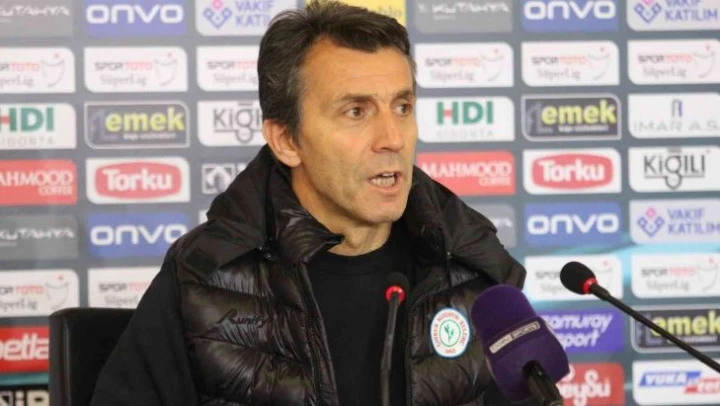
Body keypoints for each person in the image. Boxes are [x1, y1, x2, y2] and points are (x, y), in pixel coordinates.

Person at [89, 1, 528, 405]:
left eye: (402, 107)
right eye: (356, 112)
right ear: (287, 140)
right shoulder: (205, 277)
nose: (392, 138)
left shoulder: (471, 270)